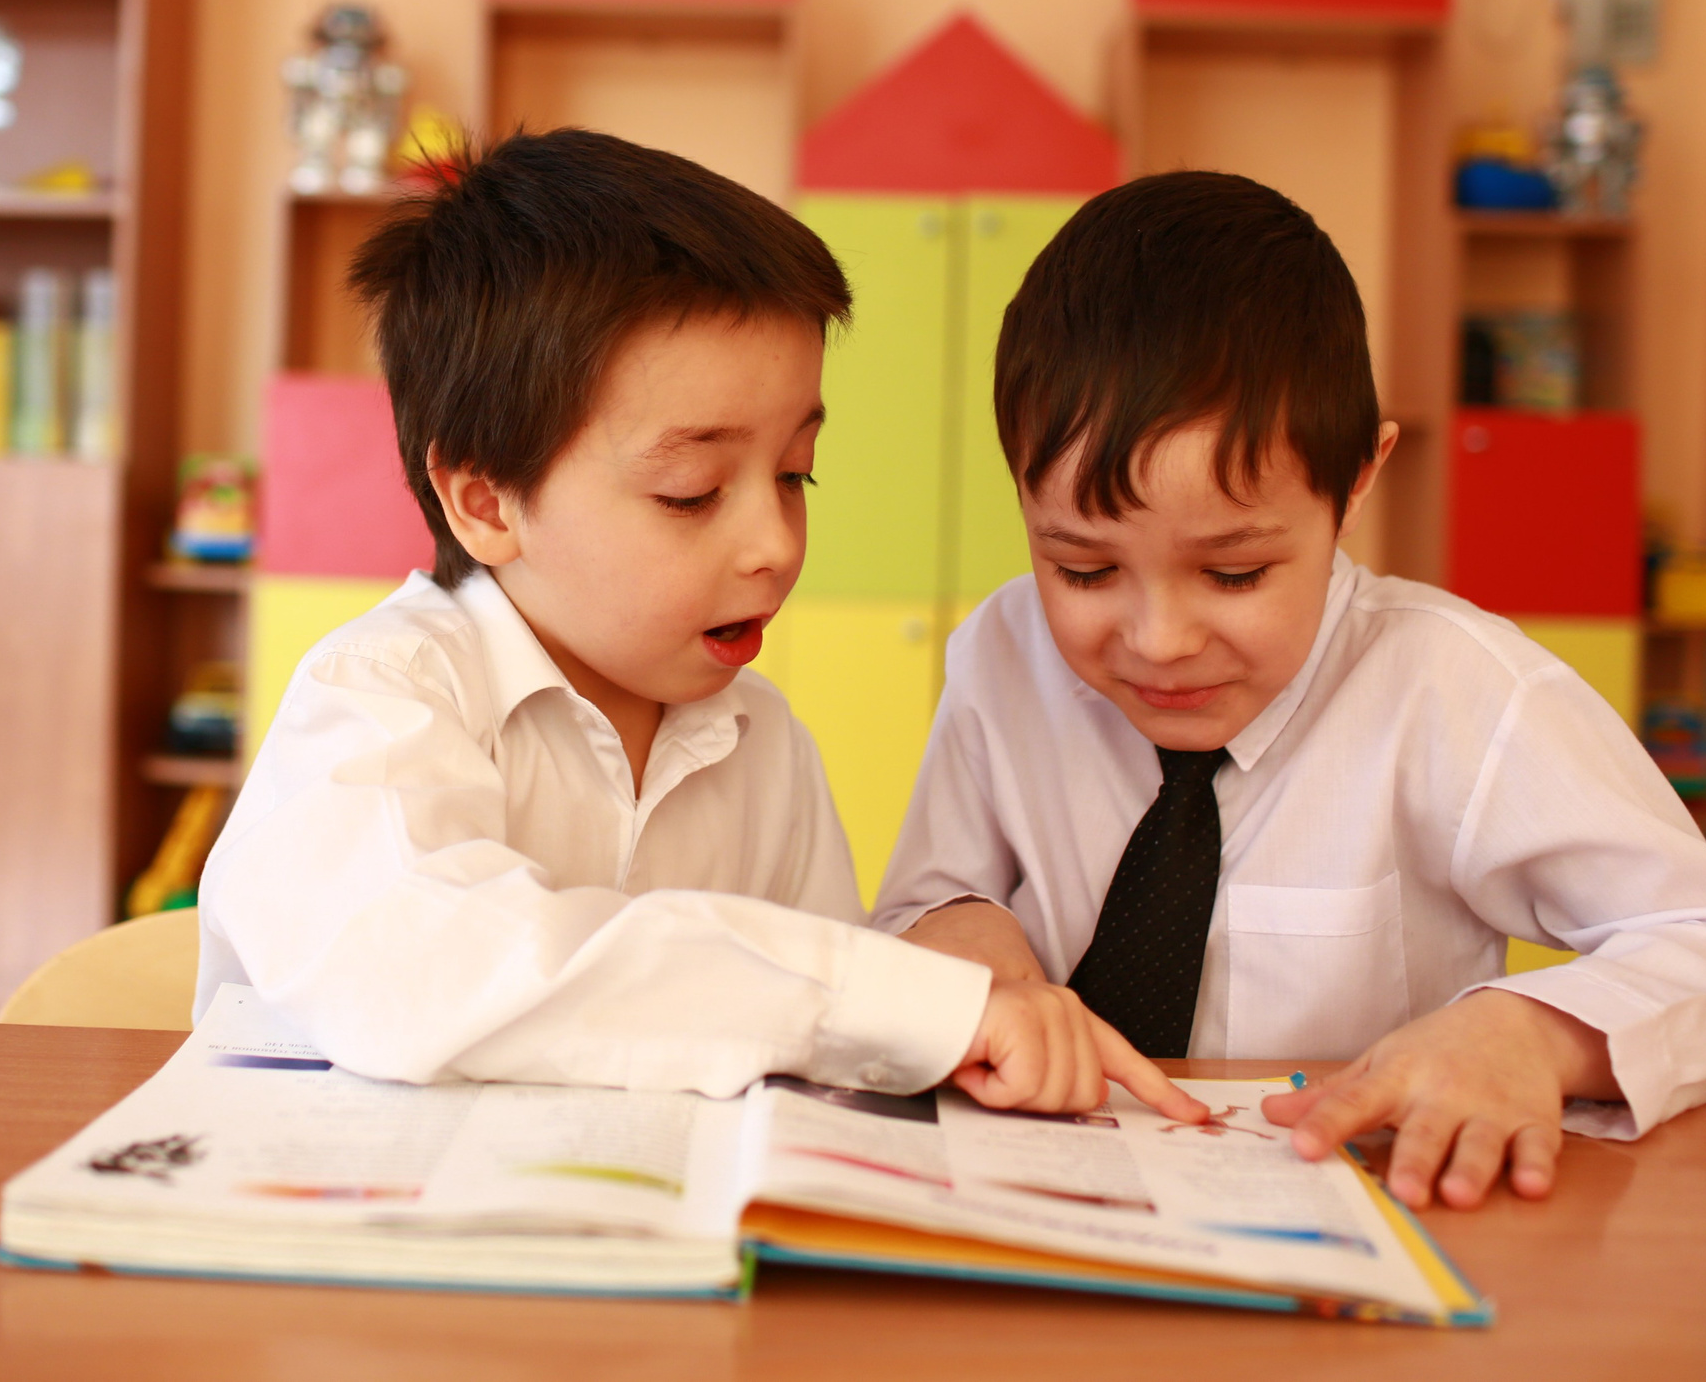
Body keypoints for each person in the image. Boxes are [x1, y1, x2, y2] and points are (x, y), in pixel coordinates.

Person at [195, 130, 1200, 1120]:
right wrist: (891, 1005)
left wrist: (927, 1027)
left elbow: (825, 1068)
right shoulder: (379, 698)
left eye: (796, 474)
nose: (774, 543)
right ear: (486, 501)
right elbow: (430, 967)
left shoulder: (766, 750)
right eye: (693, 490)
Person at [875, 171, 1706, 1208]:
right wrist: (956, 932)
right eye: (1083, 568)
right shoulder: (1002, 657)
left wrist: (1533, 1035)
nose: (1159, 641)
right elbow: (920, 908)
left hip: (1355, 1223)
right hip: (1045, 1210)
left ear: (1357, 481)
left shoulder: (1456, 691)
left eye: (1234, 572)